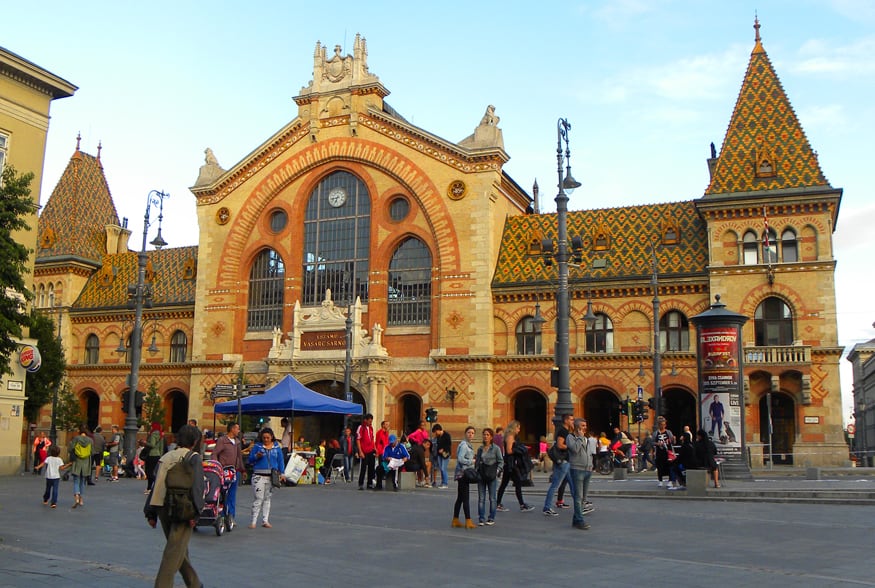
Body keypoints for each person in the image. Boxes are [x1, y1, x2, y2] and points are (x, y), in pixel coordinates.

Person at [144, 424, 204, 588]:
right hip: (183, 508)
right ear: (195, 441)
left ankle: (194, 583)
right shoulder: (194, 457)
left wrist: (150, 512)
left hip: (162, 506)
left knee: (178, 548)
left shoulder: (167, 456)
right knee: (173, 551)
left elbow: (157, 484)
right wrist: (196, 513)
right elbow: (197, 487)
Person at [248, 427, 285, 528]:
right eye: (264, 437)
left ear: (272, 437)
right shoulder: (257, 446)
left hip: (271, 476)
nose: (266, 440)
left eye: (268, 438)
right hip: (258, 476)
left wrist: (282, 473)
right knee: (258, 498)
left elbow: (280, 460)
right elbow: (250, 460)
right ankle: (253, 521)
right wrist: (256, 456)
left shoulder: (277, 447)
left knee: (267, 498)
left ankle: (265, 520)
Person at [496, 420, 534, 512]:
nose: (519, 430)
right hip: (511, 464)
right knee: (517, 483)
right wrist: (520, 450)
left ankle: (497, 503)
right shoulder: (510, 436)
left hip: (510, 464)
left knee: (505, 484)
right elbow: (509, 451)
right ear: (514, 428)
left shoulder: (512, 436)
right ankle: (522, 505)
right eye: (518, 428)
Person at [212, 422, 245, 528]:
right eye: (237, 428)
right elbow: (215, 453)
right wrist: (217, 466)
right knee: (222, 494)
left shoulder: (237, 442)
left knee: (232, 494)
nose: (238, 431)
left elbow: (239, 457)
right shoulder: (223, 440)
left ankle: (231, 517)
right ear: (232, 429)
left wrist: (242, 469)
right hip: (223, 471)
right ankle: (221, 516)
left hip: (234, 471)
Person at [543, 414, 574, 517]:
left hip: (565, 461)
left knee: (573, 484)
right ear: (565, 420)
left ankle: (581, 505)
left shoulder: (566, 431)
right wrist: (571, 446)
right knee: (555, 485)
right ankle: (547, 507)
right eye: (571, 419)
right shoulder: (562, 431)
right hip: (563, 461)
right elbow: (560, 445)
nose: (572, 421)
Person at [566, 418, 595, 530]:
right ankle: (579, 520)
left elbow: (589, 453)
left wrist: (591, 464)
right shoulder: (570, 437)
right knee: (578, 497)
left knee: (584, 497)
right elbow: (575, 449)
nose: (585, 428)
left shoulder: (586, 438)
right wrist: (580, 437)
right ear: (577, 427)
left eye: (585, 425)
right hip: (577, 469)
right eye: (583, 425)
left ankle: (576, 519)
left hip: (587, 469)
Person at [476, 427, 503, 526]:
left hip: (492, 475)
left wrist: (497, 471)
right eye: (484, 434)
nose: (485, 436)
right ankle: (481, 518)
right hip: (481, 475)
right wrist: (476, 471)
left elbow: (501, 461)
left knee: (492, 498)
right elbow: (477, 462)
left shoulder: (496, 448)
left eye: (487, 435)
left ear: (491, 437)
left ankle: (491, 517)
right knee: (481, 498)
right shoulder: (480, 449)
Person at [451, 426, 477, 529]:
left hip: (461, 474)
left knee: (460, 498)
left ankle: (455, 519)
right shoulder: (464, 445)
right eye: (469, 432)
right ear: (465, 433)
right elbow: (461, 459)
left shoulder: (467, 445)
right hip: (463, 474)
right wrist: (472, 461)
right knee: (465, 498)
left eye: (472, 433)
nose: (470, 434)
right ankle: (468, 520)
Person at [68, 425, 93, 508]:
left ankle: (77, 497)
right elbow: (92, 451)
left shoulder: (76, 439)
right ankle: (81, 499)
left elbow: (70, 448)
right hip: (86, 462)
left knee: (76, 480)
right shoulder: (90, 440)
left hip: (77, 462)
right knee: (82, 481)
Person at [653, 416, 676, 488]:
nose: (662, 426)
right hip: (659, 452)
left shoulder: (668, 432)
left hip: (667, 452)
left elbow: (673, 442)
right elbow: (652, 442)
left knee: (669, 466)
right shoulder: (656, 433)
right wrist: (657, 444)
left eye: (663, 424)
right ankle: (660, 480)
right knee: (659, 466)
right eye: (661, 424)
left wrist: (673, 439)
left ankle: (670, 481)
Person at [144, 422, 165, 494]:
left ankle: (150, 487)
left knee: (149, 472)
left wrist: (144, 443)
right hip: (157, 455)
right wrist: (161, 456)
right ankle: (150, 488)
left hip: (151, 454)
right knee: (153, 472)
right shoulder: (161, 435)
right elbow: (161, 447)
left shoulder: (153, 434)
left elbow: (152, 445)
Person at [356, 414, 376, 490]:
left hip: (371, 450)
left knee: (371, 467)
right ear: (366, 420)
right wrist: (360, 451)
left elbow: (372, 439)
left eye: (371, 421)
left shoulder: (371, 428)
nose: (370, 422)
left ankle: (369, 483)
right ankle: (361, 483)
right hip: (364, 450)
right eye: (369, 421)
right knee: (363, 467)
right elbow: (358, 439)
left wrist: (375, 448)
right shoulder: (361, 428)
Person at [433, 423, 451, 489]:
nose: (435, 433)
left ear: (438, 430)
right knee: (441, 469)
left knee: (444, 469)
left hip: (446, 454)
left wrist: (443, 449)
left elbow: (449, 444)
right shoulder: (438, 437)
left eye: (435, 432)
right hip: (439, 455)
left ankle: (445, 483)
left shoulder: (447, 435)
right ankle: (442, 482)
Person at [374, 421, 390, 490]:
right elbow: (378, 443)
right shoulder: (380, 432)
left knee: (383, 467)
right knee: (380, 468)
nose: (388, 426)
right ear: (383, 425)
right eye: (386, 424)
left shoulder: (386, 433)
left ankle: (380, 483)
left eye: (388, 424)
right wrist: (377, 452)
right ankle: (379, 484)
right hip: (381, 452)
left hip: (385, 452)